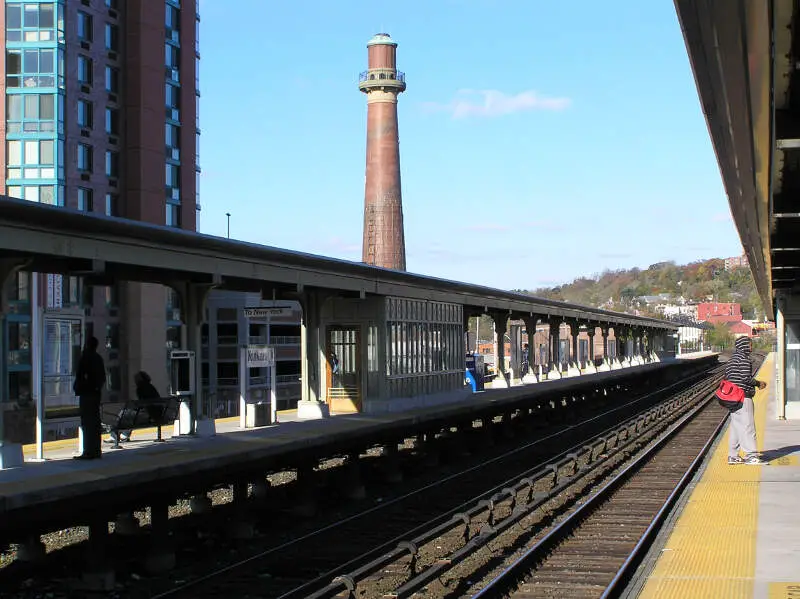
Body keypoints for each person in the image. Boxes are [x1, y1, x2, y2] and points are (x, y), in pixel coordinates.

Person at [726, 336, 768, 465]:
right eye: (749, 345)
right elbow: (745, 378)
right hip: (743, 396)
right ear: (744, 346)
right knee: (748, 426)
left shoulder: (732, 360)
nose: (751, 347)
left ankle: (733, 455)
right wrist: (758, 383)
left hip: (732, 398)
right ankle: (751, 455)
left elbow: (728, 377)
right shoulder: (744, 359)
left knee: (736, 426)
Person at [73, 336, 106, 460]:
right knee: (95, 422)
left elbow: (80, 375)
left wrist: (79, 387)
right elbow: (102, 377)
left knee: (87, 423)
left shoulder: (85, 357)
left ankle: (88, 451)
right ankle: (96, 450)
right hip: (96, 394)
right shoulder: (98, 358)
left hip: (87, 394)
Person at [107, 371, 161, 444]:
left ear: (140, 379)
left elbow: (142, 404)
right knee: (129, 415)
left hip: (148, 415)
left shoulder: (141, 388)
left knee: (123, 413)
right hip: (156, 415)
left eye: (136, 379)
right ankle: (124, 435)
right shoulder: (150, 387)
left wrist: (135, 405)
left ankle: (114, 436)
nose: (135, 380)